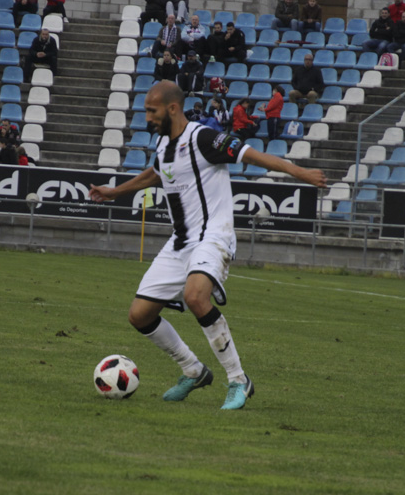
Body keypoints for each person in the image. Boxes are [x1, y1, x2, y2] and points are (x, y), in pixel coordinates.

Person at [87, 81, 326, 410]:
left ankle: (239, 380)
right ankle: (193, 370)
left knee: (195, 295)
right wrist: (113, 193)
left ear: (172, 108)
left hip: (214, 235)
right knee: (139, 315)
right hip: (181, 241)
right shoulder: (163, 145)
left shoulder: (203, 138)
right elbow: (154, 175)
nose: (147, 117)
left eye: (151, 111)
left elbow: (252, 156)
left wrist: (300, 172)